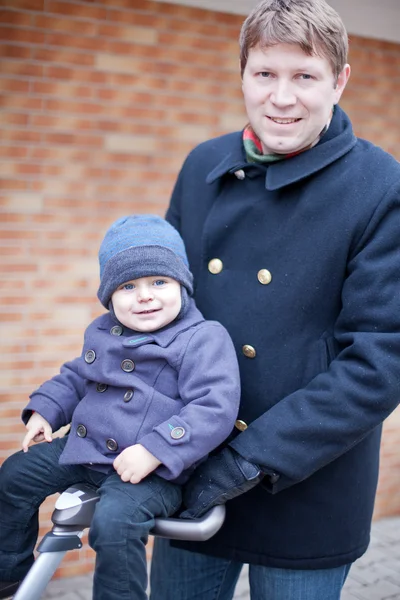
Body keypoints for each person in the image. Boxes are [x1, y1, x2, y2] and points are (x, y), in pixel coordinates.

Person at [148, 0, 400, 599]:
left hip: (305, 485)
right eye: (265, 74)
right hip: (191, 468)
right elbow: (160, 314)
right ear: (243, 74)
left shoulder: (380, 186)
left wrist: (248, 460)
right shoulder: (202, 164)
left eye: (304, 76)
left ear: (339, 80)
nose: (281, 98)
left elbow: (381, 358)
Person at [0, 215, 242, 600]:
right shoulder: (104, 331)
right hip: (85, 448)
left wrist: (156, 450)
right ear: (109, 297)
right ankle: (9, 574)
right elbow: (78, 377)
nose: (144, 295)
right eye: (128, 286)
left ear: (182, 285)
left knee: (114, 524)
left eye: (159, 282)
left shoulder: (203, 338)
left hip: (149, 469)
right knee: (14, 475)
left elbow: (214, 408)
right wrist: (47, 409)